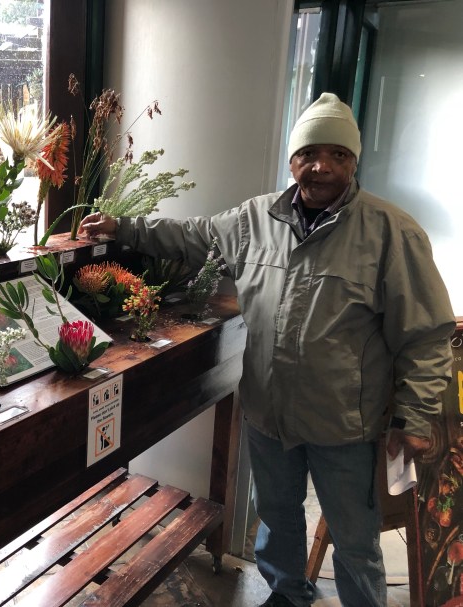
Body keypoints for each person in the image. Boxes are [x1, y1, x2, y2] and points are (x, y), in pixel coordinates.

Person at [79, 92, 456, 607]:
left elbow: (427, 335)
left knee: (354, 539)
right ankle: (287, 595)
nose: (321, 166)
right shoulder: (255, 219)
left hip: (344, 424)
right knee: (276, 518)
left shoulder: (392, 232)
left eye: (338, 154)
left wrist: (415, 417)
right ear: (292, 159)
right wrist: (123, 227)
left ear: (354, 160)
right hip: (267, 412)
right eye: (309, 153)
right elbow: (191, 236)